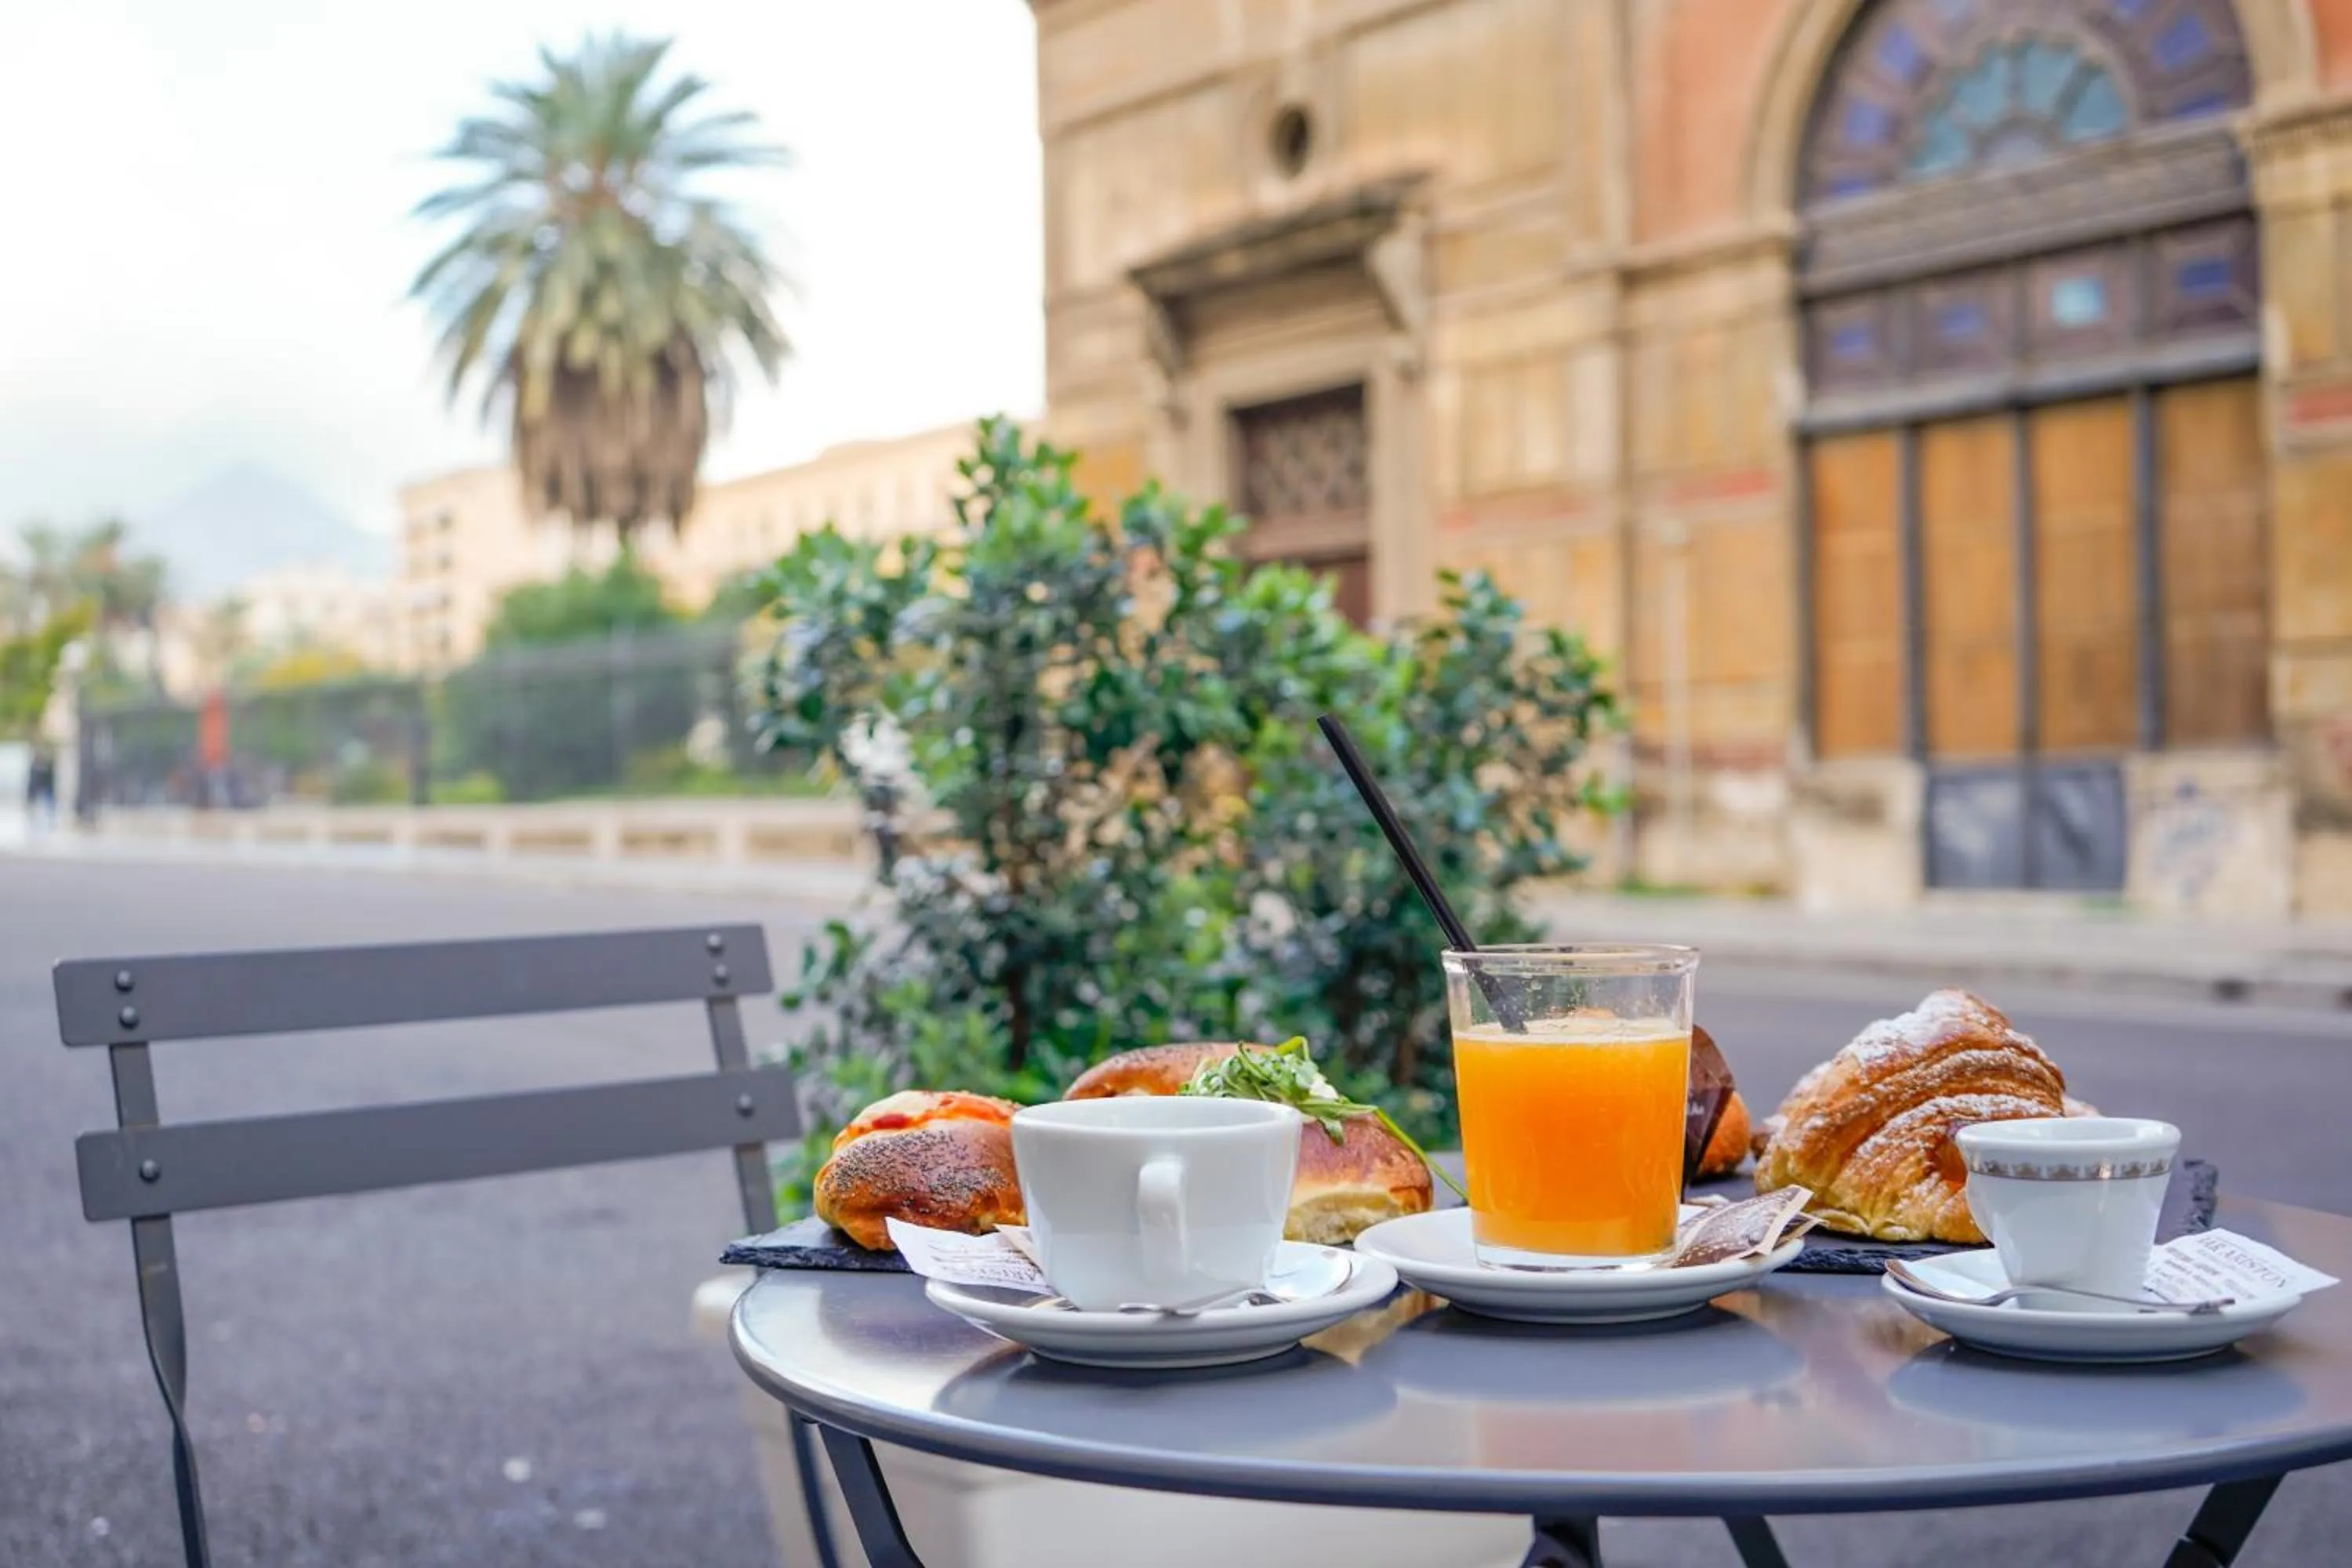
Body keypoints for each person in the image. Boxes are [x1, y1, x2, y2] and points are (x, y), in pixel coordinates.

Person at [25, 746, 58, 830]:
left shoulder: (47, 766)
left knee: (48, 804)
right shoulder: (35, 765)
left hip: (47, 788)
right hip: (40, 788)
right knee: (40, 804)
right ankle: (37, 819)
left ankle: (49, 820)